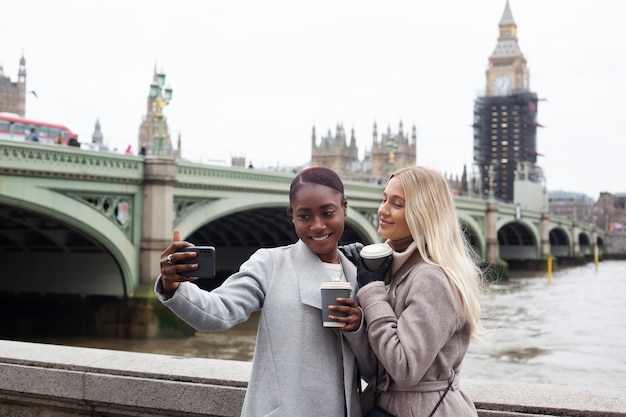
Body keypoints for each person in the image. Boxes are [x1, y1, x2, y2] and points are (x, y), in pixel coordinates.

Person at [154, 167, 376, 417]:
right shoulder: (269, 264)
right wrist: (173, 286)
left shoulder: (361, 276)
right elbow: (218, 312)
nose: (317, 225)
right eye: (304, 216)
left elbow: (373, 371)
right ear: (291, 215)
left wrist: (357, 328)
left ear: (344, 207)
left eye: (327, 213)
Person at [342, 166, 485, 417]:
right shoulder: (397, 269)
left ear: (424, 214)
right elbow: (379, 370)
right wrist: (357, 325)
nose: (382, 210)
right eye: (384, 199)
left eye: (397, 204)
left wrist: (371, 288)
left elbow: (404, 368)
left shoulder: (432, 278)